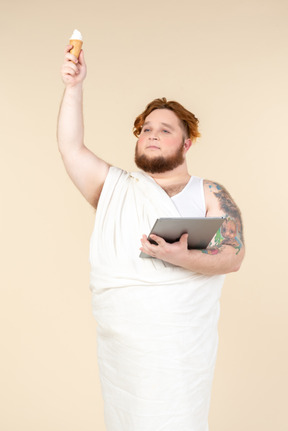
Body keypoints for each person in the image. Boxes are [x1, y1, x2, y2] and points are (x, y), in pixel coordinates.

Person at [58, 45, 245, 431]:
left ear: (187, 143)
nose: (152, 136)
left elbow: (233, 255)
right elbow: (70, 147)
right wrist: (74, 88)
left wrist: (183, 258)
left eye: (165, 130)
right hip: (125, 353)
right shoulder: (115, 188)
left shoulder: (209, 192)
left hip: (181, 353)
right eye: (146, 129)